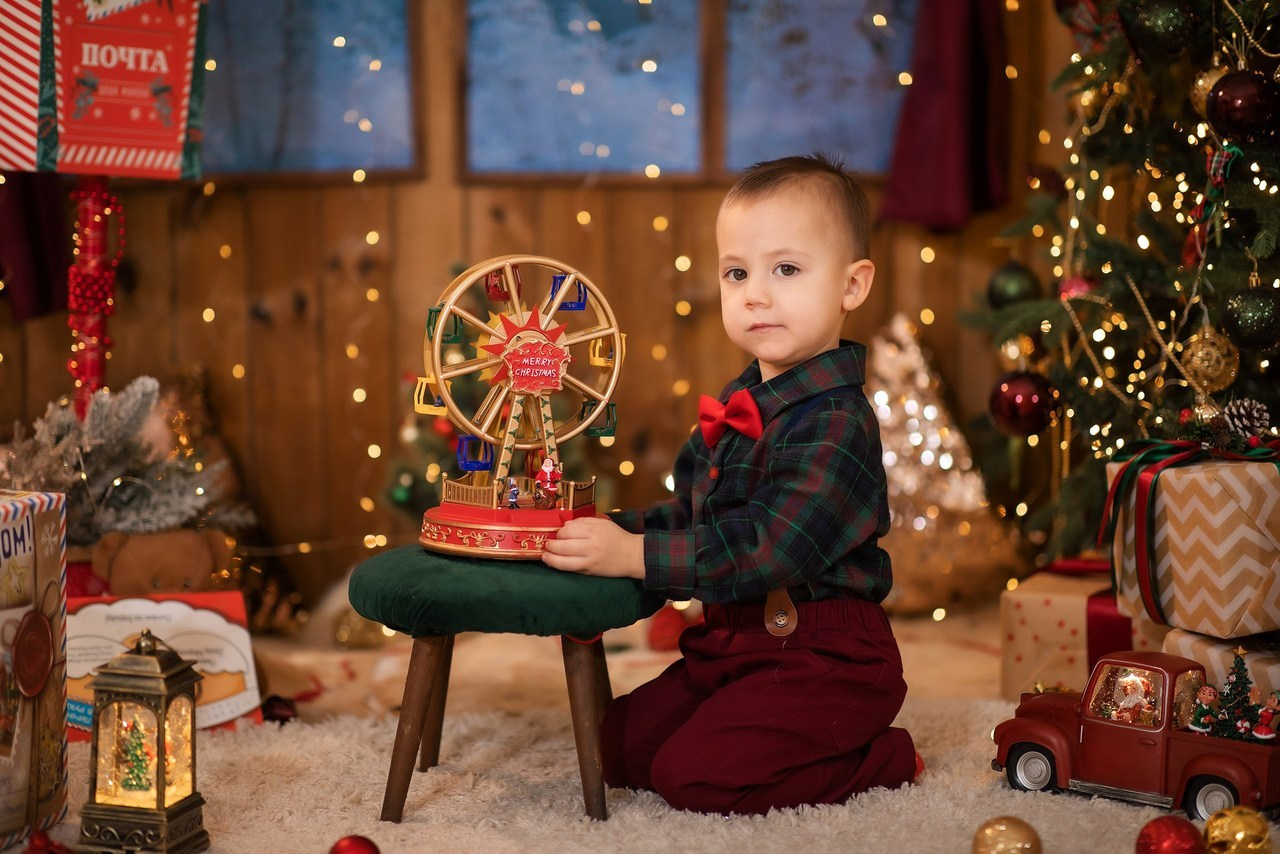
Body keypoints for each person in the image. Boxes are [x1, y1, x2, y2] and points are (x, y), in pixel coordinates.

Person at [541, 152, 918, 815]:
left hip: (825, 659)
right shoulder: (736, 405)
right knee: (618, 748)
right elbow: (692, 517)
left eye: (787, 270)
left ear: (851, 286)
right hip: (732, 645)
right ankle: (744, 719)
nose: (756, 294)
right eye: (737, 273)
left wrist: (634, 559)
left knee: (698, 778)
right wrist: (609, 533)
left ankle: (882, 756)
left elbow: (764, 549)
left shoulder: (836, 422)